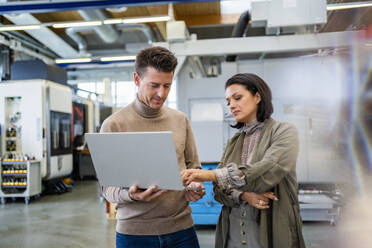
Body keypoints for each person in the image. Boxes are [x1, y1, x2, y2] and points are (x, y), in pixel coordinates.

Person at [181, 73, 306, 248]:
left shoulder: (284, 132)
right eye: (228, 101)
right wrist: (244, 195)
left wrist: (212, 175)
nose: (231, 105)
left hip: (269, 230)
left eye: (237, 98)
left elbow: (267, 171)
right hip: (232, 233)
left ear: (257, 96)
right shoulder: (234, 141)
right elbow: (218, 191)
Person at [100, 46, 204, 248]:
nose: (161, 93)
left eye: (167, 86)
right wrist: (131, 195)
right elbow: (107, 188)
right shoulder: (114, 125)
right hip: (134, 234)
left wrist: (195, 187)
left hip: (181, 229)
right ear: (137, 80)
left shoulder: (180, 120)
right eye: (154, 85)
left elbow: (194, 168)